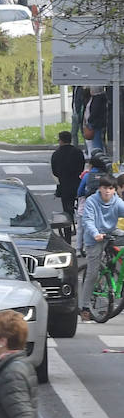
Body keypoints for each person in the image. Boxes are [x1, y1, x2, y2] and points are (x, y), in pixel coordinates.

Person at [78, 175, 124, 320]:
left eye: (110, 188)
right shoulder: (92, 201)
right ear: (100, 188)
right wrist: (95, 233)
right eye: (105, 188)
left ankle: (112, 266)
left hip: (111, 232)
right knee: (92, 273)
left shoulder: (117, 202)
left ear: (114, 189)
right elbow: (88, 221)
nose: (107, 191)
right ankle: (84, 305)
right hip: (94, 237)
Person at [51, 130, 86, 223]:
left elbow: (54, 171)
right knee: (80, 206)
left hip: (64, 185)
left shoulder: (56, 154)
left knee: (66, 211)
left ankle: (68, 231)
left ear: (61, 141)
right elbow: (81, 168)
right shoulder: (78, 152)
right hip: (77, 184)